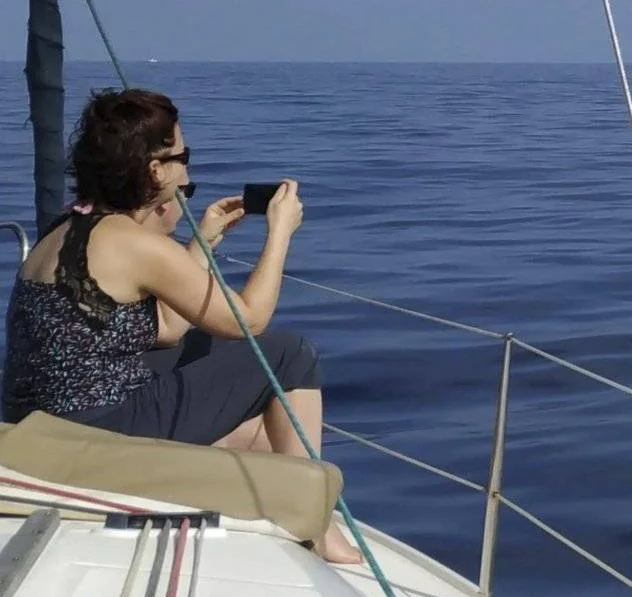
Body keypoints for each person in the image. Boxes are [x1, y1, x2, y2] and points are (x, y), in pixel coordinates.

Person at [2, 87, 362, 564]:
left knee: (199, 358)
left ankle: (286, 479)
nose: (187, 170)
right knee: (288, 353)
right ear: (155, 169)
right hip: (97, 425)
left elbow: (167, 327)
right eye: (182, 156)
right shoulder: (131, 241)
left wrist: (204, 241)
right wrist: (279, 233)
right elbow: (249, 322)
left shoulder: (68, 225)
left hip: (37, 417)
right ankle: (315, 518)